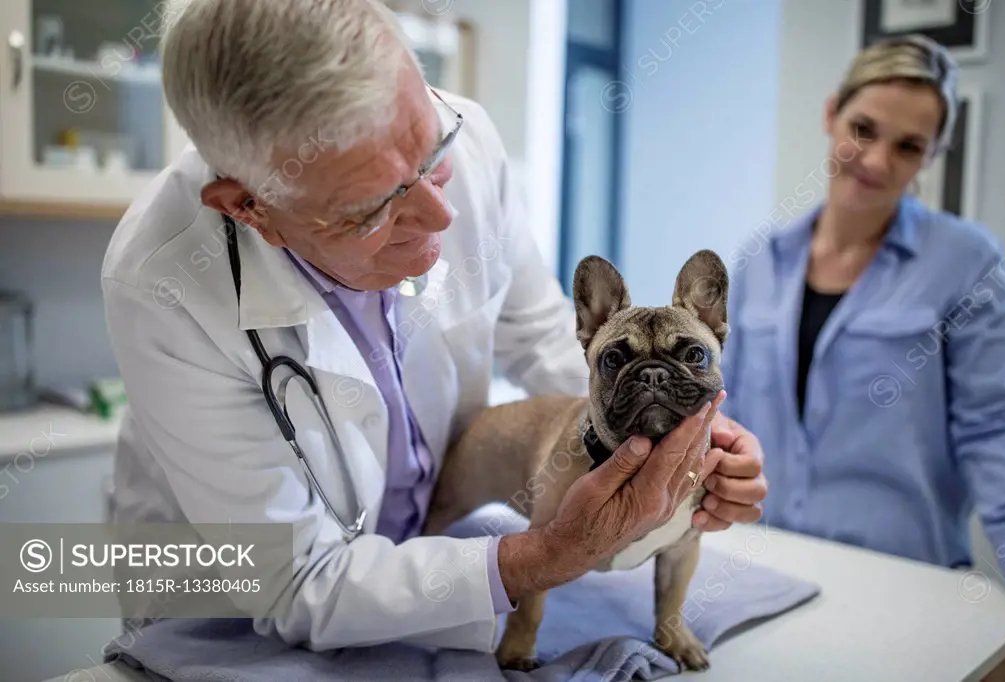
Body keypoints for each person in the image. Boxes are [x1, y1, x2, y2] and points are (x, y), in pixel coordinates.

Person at [101, 0, 767, 652]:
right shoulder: (165, 283)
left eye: (431, 152)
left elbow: (543, 338)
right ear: (252, 208)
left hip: (430, 549)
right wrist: (541, 556)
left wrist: (675, 435)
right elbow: (295, 579)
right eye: (372, 209)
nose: (440, 215)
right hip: (227, 613)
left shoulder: (469, 136)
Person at [720, 34, 1005, 608]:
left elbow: (995, 428)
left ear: (933, 154)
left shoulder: (967, 263)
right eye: (864, 130)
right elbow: (723, 410)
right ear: (832, 114)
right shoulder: (759, 262)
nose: (879, 161)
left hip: (906, 584)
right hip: (761, 568)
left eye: (909, 146)